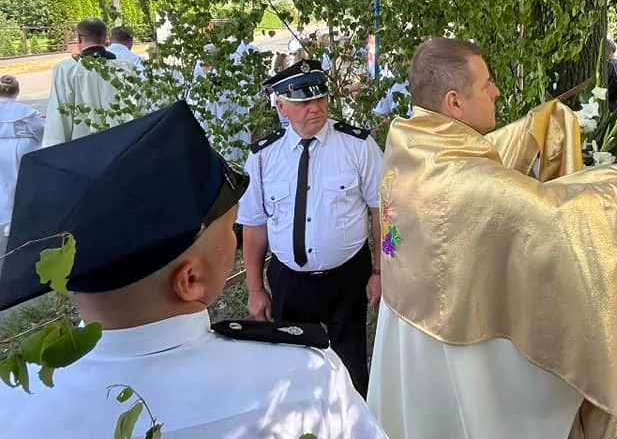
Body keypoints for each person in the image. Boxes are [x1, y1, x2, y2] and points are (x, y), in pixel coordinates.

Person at [0, 101, 386, 438]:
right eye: (227, 229)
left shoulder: (14, 401)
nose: (235, 239)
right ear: (191, 279)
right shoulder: (304, 380)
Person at [368, 38, 617, 439]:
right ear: (454, 103)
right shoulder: (469, 186)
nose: (496, 91)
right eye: (486, 85)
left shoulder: (413, 146)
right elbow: (559, 214)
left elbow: (475, 156)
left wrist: (536, 127)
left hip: (416, 335)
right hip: (459, 355)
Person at [239, 59, 384, 396]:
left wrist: (381, 270)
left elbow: (385, 212)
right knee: (292, 371)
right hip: (289, 280)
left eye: (321, 99)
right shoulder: (263, 157)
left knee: (351, 369)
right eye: (303, 101)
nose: (315, 109)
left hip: (347, 278)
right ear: (281, 105)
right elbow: (254, 225)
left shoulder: (359, 147)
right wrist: (255, 288)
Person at [43, 18, 136, 147]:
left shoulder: (67, 69)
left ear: (79, 39)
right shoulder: (125, 66)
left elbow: (59, 113)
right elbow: (135, 105)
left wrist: (52, 152)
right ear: (106, 38)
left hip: (83, 146)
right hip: (121, 142)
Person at [0, 75, 43, 240]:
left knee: (4, 183)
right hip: (23, 147)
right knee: (22, 182)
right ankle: (20, 218)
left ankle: (7, 218)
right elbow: (38, 129)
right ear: (17, 91)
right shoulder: (25, 110)